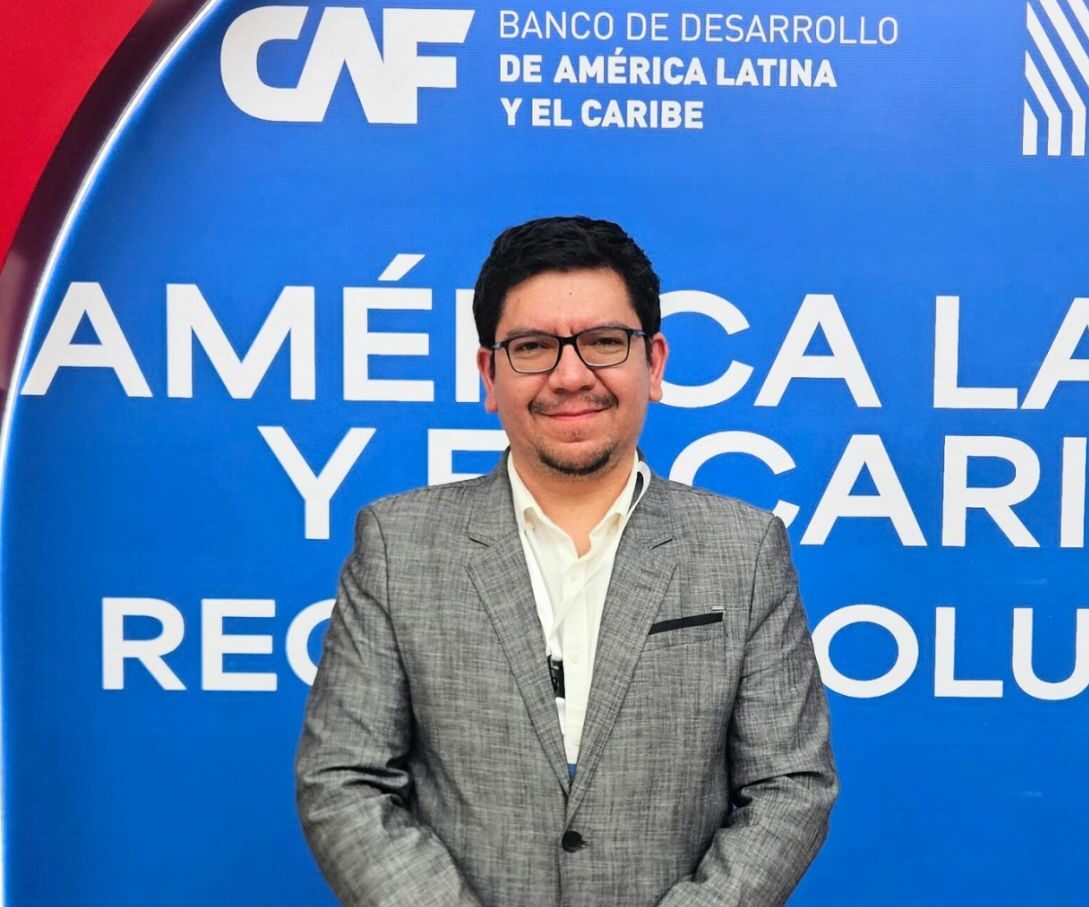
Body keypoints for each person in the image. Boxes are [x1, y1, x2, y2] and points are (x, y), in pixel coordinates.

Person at [295, 216, 837, 906]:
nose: (571, 375)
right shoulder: (398, 543)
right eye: (532, 347)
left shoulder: (745, 547)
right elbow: (344, 780)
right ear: (490, 375)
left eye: (604, 342)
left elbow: (789, 786)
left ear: (654, 363)